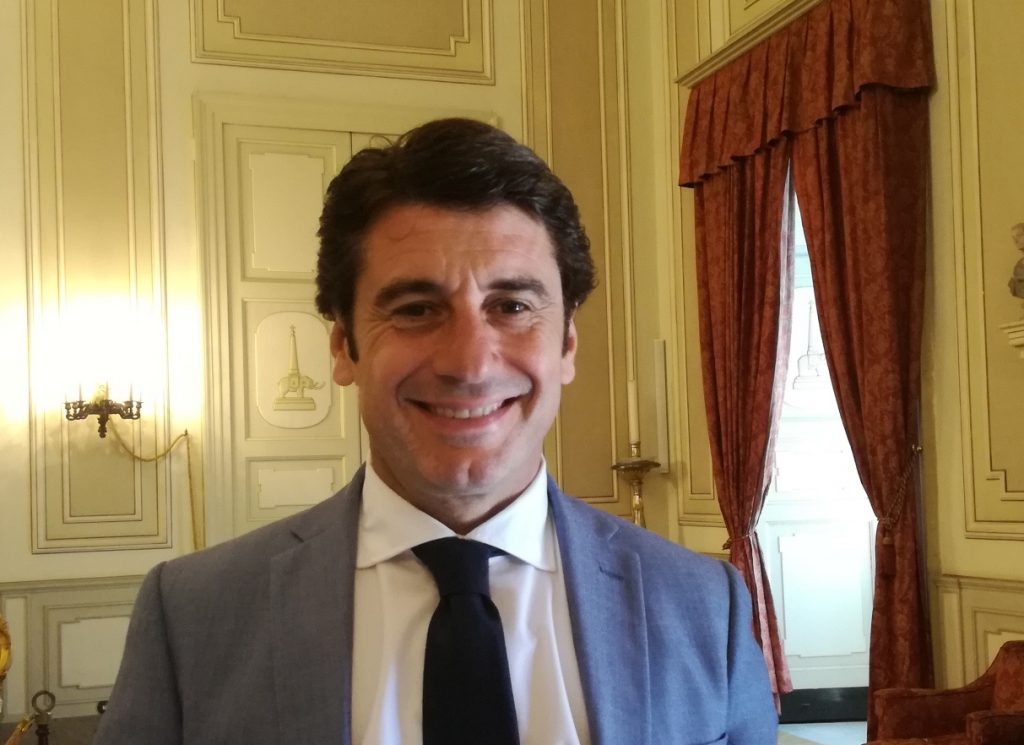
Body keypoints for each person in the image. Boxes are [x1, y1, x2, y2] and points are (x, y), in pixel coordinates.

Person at [95, 118, 777, 745]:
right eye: (417, 309)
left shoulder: (702, 606)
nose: (470, 363)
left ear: (567, 343)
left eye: (512, 305)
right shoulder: (193, 615)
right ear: (343, 347)